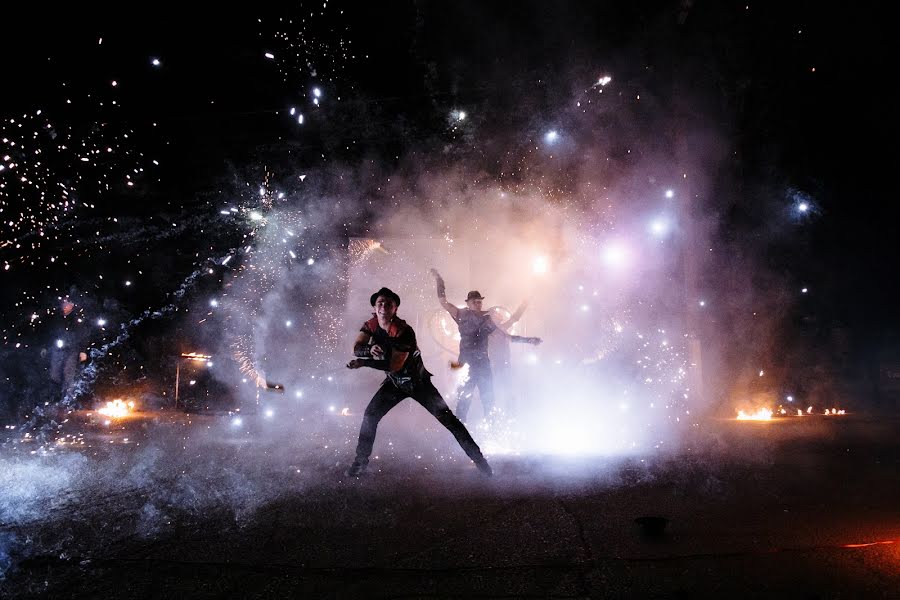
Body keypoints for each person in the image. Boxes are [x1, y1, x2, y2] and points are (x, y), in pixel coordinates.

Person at [345, 287, 493, 477]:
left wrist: (364, 362)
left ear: (395, 308)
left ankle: (481, 462)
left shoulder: (404, 330)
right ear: (375, 306)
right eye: (380, 302)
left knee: (449, 421)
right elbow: (357, 347)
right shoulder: (371, 325)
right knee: (370, 416)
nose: (383, 306)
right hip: (396, 383)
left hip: (418, 384)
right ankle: (360, 462)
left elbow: (395, 365)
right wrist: (368, 350)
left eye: (388, 303)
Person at [430, 269, 541, 423]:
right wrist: (439, 281)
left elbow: (508, 334)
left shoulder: (488, 318)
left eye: (480, 301)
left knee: (488, 399)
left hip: (483, 364)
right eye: (475, 301)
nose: (478, 303)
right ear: (468, 303)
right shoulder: (461, 314)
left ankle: (492, 433)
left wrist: (528, 340)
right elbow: (443, 302)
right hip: (466, 363)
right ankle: (459, 434)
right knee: (463, 401)